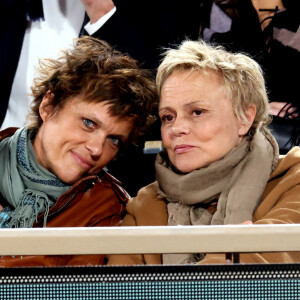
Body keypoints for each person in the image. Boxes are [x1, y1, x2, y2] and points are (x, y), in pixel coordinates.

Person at [107, 39, 300, 266]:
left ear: (245, 118)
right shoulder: (145, 207)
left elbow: (266, 278)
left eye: (197, 112)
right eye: (168, 117)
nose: (177, 128)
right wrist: (235, 254)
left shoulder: (293, 181)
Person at [0, 35, 157, 267]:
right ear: (48, 106)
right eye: (88, 123)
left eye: (113, 140)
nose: (96, 149)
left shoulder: (105, 206)